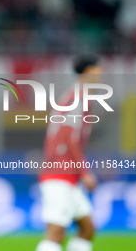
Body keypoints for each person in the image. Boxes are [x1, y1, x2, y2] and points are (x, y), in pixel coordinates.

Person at [36, 55, 101, 251]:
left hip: (66, 175)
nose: (101, 75)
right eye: (99, 70)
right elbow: (69, 137)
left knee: (87, 228)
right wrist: (85, 172)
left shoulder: (72, 97)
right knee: (56, 233)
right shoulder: (78, 98)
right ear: (89, 72)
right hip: (60, 174)